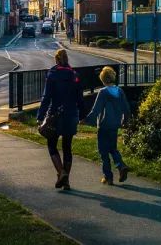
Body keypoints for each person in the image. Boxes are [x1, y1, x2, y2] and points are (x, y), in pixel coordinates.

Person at [37, 49, 84, 190]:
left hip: (54, 115)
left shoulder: (52, 75)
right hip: (71, 115)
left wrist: (40, 116)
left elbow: (46, 97)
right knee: (67, 147)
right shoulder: (75, 75)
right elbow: (80, 98)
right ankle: (66, 181)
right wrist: (82, 115)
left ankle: (61, 172)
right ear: (67, 59)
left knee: (52, 146)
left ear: (56, 60)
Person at [83, 66, 131, 185]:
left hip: (104, 125)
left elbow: (96, 110)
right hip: (115, 124)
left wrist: (86, 120)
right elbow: (126, 108)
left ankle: (108, 176)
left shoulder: (103, 92)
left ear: (103, 79)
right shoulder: (120, 91)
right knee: (113, 148)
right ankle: (121, 165)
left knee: (103, 151)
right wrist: (125, 120)